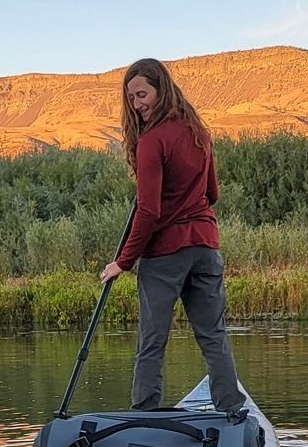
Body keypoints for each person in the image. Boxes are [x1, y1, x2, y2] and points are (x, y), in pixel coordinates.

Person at [99, 58, 247, 413]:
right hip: (205, 247)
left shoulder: (151, 140)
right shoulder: (199, 132)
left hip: (165, 254)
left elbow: (149, 211)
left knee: (152, 340)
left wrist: (123, 261)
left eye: (142, 94)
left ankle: (144, 414)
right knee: (213, 336)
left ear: (160, 89)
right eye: (131, 98)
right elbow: (212, 194)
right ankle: (231, 410)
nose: (137, 104)